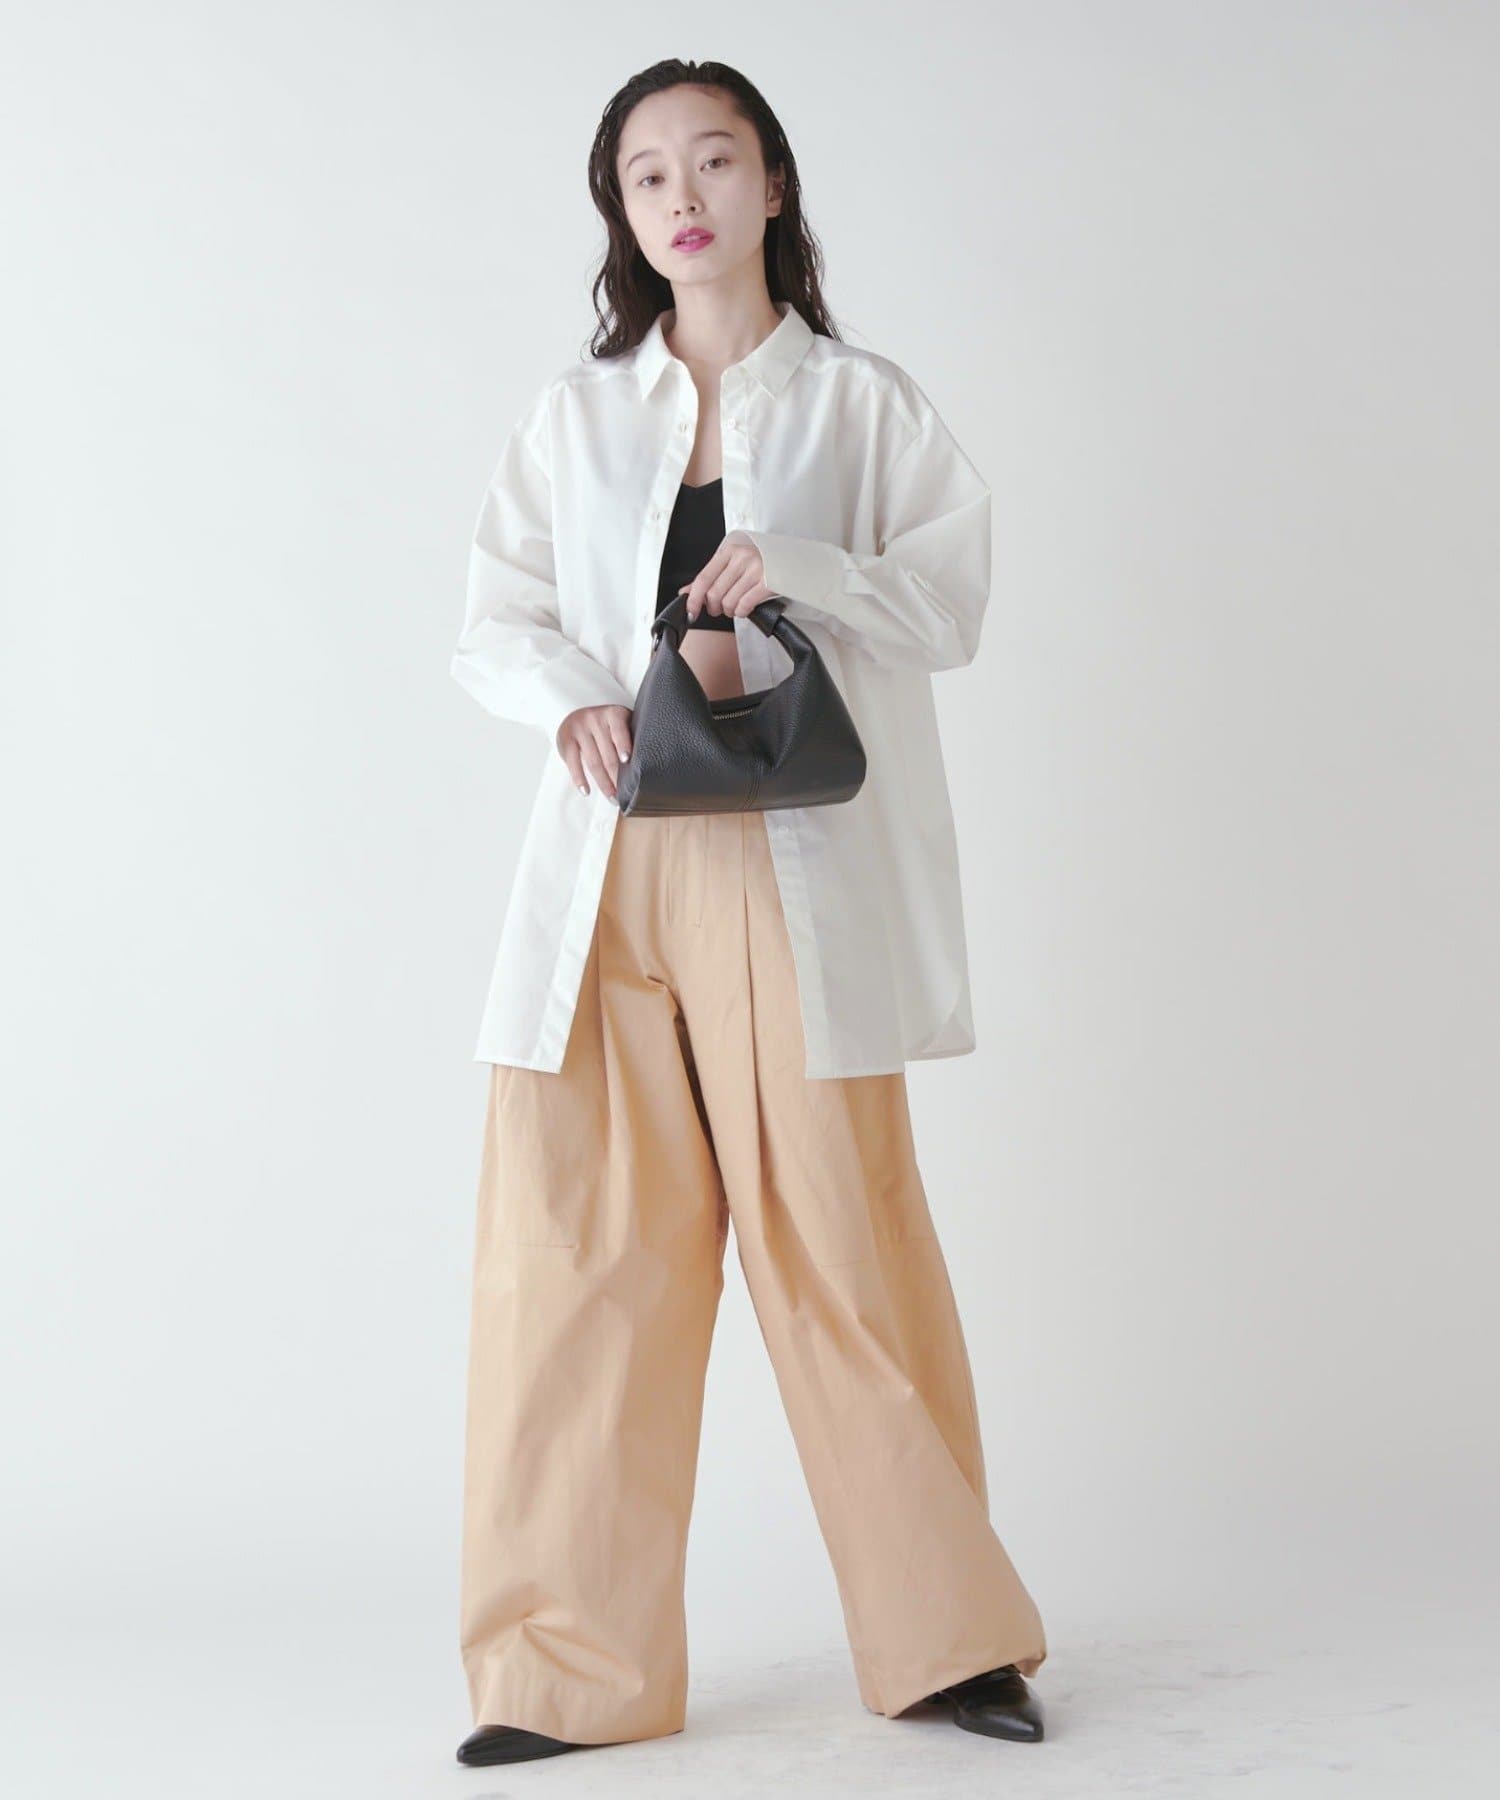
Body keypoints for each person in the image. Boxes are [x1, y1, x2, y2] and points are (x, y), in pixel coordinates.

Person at [450, 59, 1047, 1768]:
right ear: (624, 214)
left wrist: (803, 564)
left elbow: (948, 604)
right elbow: (493, 612)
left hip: (795, 865)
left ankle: (949, 1645)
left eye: (714, 159)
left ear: (773, 181)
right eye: (647, 175)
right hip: (610, 867)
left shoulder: (861, 406)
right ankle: (561, 1675)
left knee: (846, 1250)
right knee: (577, 1263)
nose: (684, 195)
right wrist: (568, 695)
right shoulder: (577, 417)